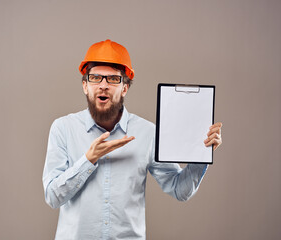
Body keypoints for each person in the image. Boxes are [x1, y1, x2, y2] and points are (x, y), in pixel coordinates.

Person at [43, 39, 222, 240]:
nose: (103, 86)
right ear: (85, 86)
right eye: (95, 78)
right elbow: (52, 196)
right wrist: (88, 159)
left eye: (113, 79)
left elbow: (180, 190)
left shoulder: (148, 133)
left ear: (125, 88)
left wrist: (200, 154)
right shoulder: (63, 128)